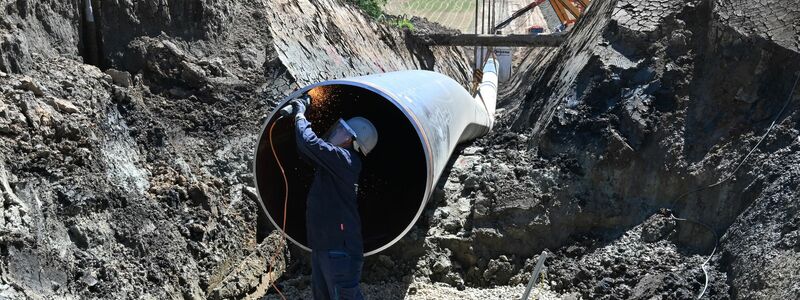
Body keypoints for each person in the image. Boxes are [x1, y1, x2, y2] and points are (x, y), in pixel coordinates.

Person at [286, 96, 378, 300]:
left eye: (342, 130)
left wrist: (301, 115)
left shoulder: (344, 160)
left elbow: (309, 142)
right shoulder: (336, 162)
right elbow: (307, 151)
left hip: (339, 252)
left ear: (352, 139)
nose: (337, 132)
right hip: (325, 248)